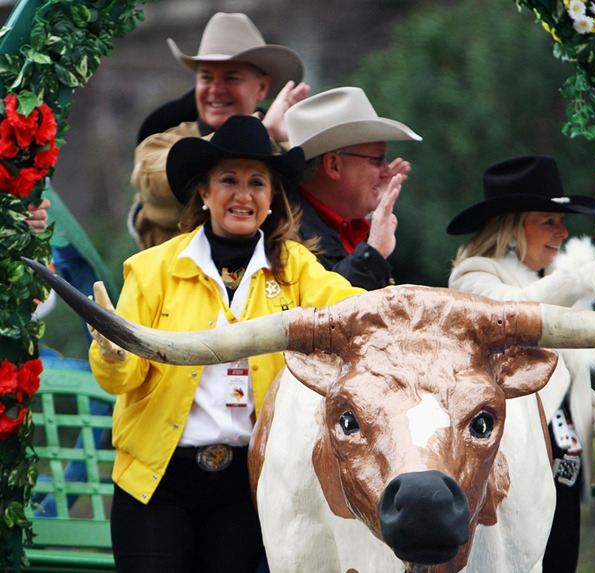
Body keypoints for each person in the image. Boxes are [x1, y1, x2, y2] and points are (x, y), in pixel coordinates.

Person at [89, 115, 363, 573]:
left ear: (273, 197)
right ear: (204, 191)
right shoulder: (153, 269)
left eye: (257, 183)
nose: (243, 195)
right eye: (229, 180)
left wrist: (403, 296)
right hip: (157, 483)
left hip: (247, 485)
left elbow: (353, 312)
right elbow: (120, 379)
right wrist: (112, 353)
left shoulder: (297, 269)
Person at [446, 155, 595, 573]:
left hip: (563, 476)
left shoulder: (552, 284)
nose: (563, 232)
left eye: (562, 221)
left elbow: (566, 385)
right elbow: (516, 315)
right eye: (548, 221)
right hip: (510, 485)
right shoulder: (472, 277)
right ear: (511, 228)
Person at [130, 12, 311, 250]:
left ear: (262, 87)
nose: (215, 89)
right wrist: (260, 134)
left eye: (230, 78)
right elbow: (158, 184)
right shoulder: (159, 145)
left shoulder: (288, 153)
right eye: (206, 77)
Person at [283, 86, 421, 289]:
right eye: (378, 160)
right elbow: (325, 304)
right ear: (333, 165)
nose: (386, 171)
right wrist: (373, 252)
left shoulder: (341, 225)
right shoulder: (283, 233)